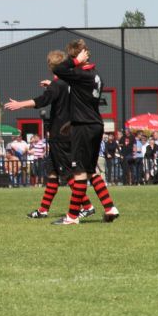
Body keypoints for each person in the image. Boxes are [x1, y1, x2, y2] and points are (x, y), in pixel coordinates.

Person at [5, 52, 95, 219]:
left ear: (51, 67)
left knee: (68, 174)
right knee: (52, 173)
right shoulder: (70, 82)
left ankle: (88, 206)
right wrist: (51, 84)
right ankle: (43, 210)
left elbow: (42, 100)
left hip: (60, 135)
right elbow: (61, 91)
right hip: (68, 132)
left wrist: (20, 104)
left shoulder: (58, 84)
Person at [50, 39, 119, 224]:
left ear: (77, 57)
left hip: (84, 127)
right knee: (90, 171)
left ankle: (72, 217)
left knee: (79, 172)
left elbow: (58, 69)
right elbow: (83, 101)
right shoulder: (96, 75)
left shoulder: (80, 74)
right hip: (95, 124)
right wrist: (71, 122)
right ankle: (109, 207)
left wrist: (75, 61)